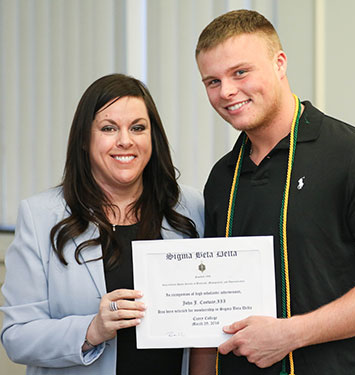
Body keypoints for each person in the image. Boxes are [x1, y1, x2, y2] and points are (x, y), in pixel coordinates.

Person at [190, 9, 355, 375]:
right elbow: (210, 305)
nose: (226, 91)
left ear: (279, 63)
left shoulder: (354, 155)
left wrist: (292, 334)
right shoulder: (222, 177)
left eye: (240, 72)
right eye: (212, 81)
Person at [0, 73, 204, 375]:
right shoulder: (39, 215)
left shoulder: (192, 208)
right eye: (109, 128)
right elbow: (16, 337)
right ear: (85, 139)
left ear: (153, 137)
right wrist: (91, 330)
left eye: (138, 128)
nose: (125, 140)